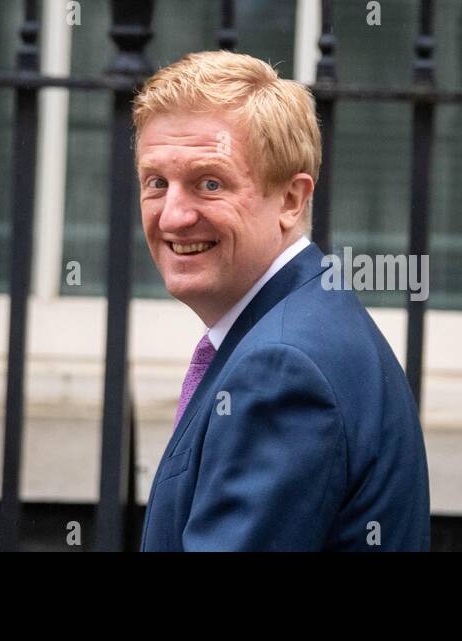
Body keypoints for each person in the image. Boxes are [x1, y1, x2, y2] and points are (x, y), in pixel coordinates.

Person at [135, 50, 430, 551]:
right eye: (157, 183)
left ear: (291, 201)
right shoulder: (302, 320)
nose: (172, 217)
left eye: (210, 183)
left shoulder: (280, 369)